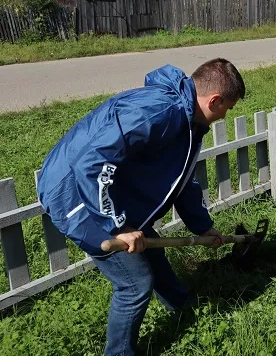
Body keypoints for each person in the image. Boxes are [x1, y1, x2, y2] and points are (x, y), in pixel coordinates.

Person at [37, 58, 245, 355]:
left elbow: (180, 180)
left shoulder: (187, 120)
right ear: (214, 100)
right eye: (228, 109)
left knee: (149, 243)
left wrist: (202, 226)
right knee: (135, 283)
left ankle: (182, 307)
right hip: (73, 193)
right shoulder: (157, 112)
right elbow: (92, 166)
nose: (225, 116)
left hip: (104, 189)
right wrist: (118, 226)